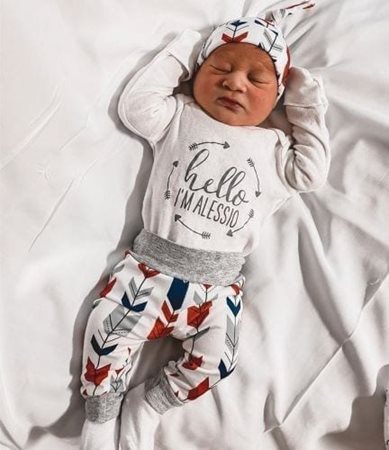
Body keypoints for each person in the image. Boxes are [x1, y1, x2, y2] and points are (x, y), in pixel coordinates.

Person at [80, 3, 330, 449]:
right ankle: (100, 417)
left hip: (217, 290)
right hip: (150, 271)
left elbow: (311, 173)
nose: (235, 82)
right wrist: (187, 46)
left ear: (275, 98)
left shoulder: (274, 147)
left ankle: (150, 403)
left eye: (256, 80)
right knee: (106, 332)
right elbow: (135, 107)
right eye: (220, 68)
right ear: (197, 73)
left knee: (217, 363)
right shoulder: (179, 115)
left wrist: (306, 104)